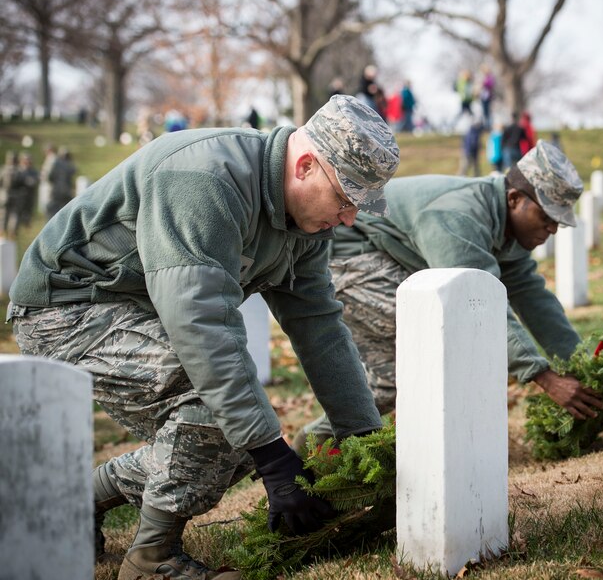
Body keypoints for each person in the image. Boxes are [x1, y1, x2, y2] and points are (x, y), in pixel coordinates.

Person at [7, 95, 399, 580]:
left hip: (140, 306)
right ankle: (152, 560)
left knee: (241, 423)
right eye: (345, 199)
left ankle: (82, 499)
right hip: (69, 305)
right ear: (304, 166)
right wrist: (272, 455)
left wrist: (364, 437)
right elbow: (200, 322)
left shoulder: (307, 225)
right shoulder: (205, 180)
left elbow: (319, 325)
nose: (348, 220)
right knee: (217, 409)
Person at [294, 140, 603, 450]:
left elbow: (534, 298)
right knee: (426, 351)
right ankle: (317, 444)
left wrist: (583, 367)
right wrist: (546, 377)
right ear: (514, 199)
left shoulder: (507, 227)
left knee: (398, 376)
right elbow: (479, 306)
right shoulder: (459, 217)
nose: (552, 229)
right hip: (349, 255)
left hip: (386, 259)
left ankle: (316, 442)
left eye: (558, 221)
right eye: (547, 217)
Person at [46, 147, 76, 219]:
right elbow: (73, 171)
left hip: (56, 191)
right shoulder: (69, 164)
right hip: (66, 191)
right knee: (66, 210)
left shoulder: (56, 163)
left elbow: (50, 177)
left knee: (54, 211)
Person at [0, 151, 19, 238]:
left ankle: (2, 231)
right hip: (15, 195)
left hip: (5, 194)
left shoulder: (4, 170)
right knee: (14, 214)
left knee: (3, 214)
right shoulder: (18, 171)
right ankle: (12, 232)